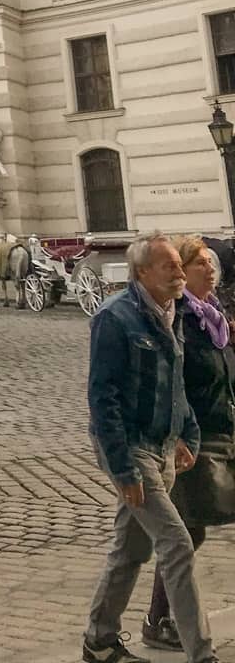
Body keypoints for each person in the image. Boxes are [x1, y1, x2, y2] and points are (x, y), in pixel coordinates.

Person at [82, 233, 215, 663]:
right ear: (142, 273)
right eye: (169, 267)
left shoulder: (169, 311)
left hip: (163, 446)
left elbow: (175, 381)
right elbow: (102, 398)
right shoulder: (114, 318)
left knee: (130, 549)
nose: (179, 273)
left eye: (180, 265)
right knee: (175, 542)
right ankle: (202, 652)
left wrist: (187, 432)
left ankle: (99, 640)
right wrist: (123, 471)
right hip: (132, 450)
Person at [142, 238, 235, 651]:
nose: (208, 268)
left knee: (188, 532)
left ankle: (159, 617)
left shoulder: (213, 319)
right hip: (195, 438)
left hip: (224, 428)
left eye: (210, 262)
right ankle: (159, 618)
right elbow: (172, 383)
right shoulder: (178, 322)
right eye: (198, 263)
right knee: (187, 532)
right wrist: (178, 434)